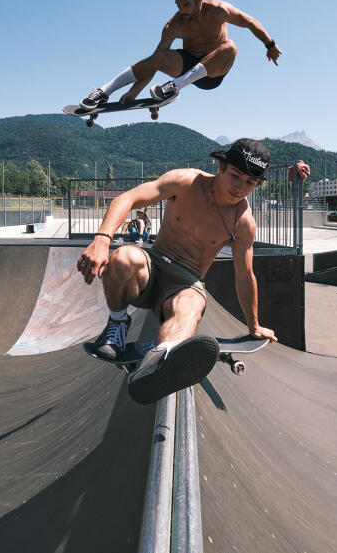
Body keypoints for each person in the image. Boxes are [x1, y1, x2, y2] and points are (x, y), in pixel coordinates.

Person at [76, 139, 310, 403]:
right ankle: (117, 325)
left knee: (190, 306)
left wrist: (254, 325)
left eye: (249, 183)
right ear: (220, 167)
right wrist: (102, 239)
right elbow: (128, 198)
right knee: (123, 258)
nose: (240, 188)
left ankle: (159, 361)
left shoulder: (243, 222)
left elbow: (245, 275)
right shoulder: (185, 182)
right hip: (151, 267)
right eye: (235, 176)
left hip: (185, 284)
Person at [79, 0, 282, 110]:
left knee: (231, 47)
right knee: (159, 56)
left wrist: (270, 45)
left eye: (186, 4)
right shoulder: (173, 25)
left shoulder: (219, 10)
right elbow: (154, 62)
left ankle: (173, 87)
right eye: (177, 5)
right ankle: (104, 91)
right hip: (188, 67)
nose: (182, 10)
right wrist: (135, 91)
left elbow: (251, 23)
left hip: (213, 74)